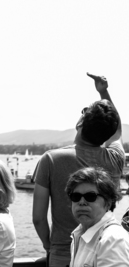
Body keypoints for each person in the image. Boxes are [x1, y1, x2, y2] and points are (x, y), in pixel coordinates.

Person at [32, 73, 125, 267]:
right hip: (102, 245)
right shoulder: (114, 158)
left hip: (63, 251)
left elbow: (38, 218)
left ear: (80, 124)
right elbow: (116, 131)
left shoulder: (51, 159)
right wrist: (104, 93)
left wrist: (50, 247)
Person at [65, 167, 129, 266]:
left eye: (90, 196)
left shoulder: (112, 240)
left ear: (108, 203)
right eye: (76, 196)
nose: (81, 202)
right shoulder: (79, 234)